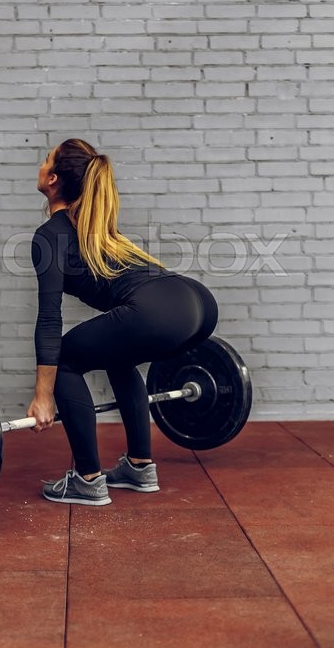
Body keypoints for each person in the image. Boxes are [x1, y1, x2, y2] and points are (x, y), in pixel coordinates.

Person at [27, 138, 218, 506]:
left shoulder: (49, 236)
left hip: (157, 311)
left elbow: (50, 316)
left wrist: (43, 394)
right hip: (197, 304)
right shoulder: (102, 233)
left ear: (52, 179)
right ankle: (139, 467)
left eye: (44, 160)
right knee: (117, 356)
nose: (40, 165)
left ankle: (87, 479)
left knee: (64, 359)